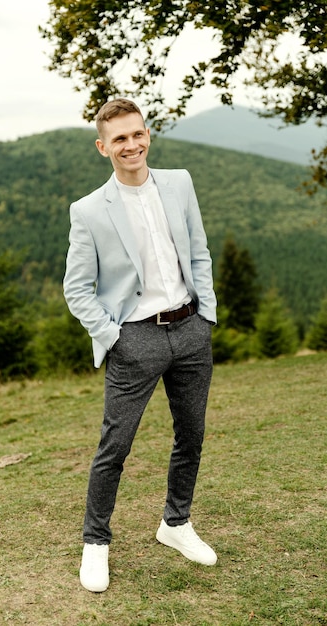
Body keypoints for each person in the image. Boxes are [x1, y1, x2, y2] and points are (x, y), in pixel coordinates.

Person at [63, 98, 217, 593]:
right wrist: (113, 337)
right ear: (102, 147)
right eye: (119, 139)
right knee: (115, 446)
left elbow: (198, 250)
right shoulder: (88, 211)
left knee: (190, 436)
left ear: (148, 134)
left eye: (137, 134)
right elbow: (77, 289)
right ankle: (95, 542)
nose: (131, 145)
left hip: (191, 330)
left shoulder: (180, 182)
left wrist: (207, 314)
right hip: (135, 339)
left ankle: (176, 524)